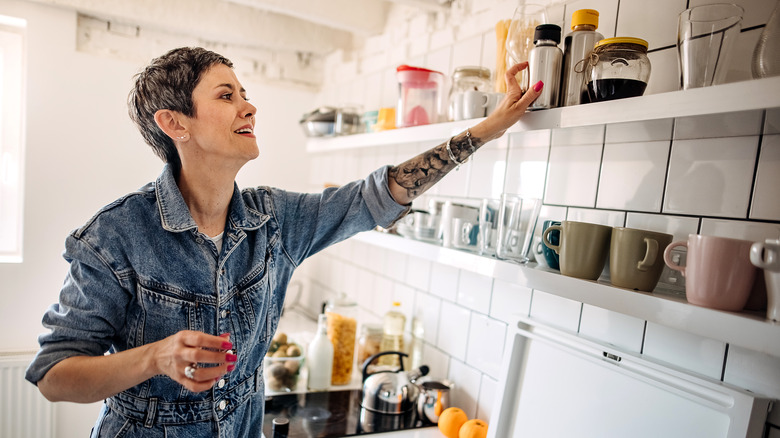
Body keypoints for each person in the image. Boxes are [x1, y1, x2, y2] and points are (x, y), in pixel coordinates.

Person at [25, 47, 543, 437]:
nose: (249, 108)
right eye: (227, 96)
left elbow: (373, 196)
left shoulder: (276, 219)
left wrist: (485, 130)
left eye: (245, 94)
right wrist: (154, 358)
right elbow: (54, 374)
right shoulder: (116, 235)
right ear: (173, 123)